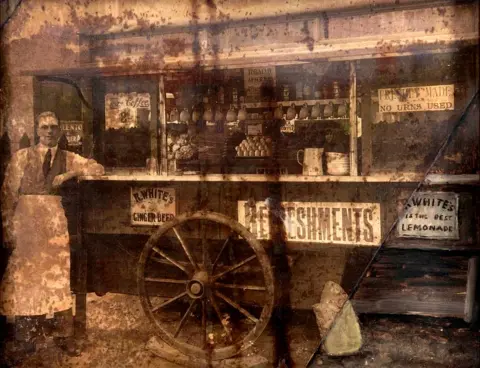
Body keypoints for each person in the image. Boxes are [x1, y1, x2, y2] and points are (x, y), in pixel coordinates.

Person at [0, 111, 104, 360]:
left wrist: (69, 174)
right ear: (37, 130)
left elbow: (97, 168)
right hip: (26, 221)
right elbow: (7, 194)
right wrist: (6, 226)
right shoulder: (22, 157)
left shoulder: (68, 158)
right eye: (44, 127)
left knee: (57, 278)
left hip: (54, 222)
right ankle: (27, 339)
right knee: (27, 279)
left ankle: (63, 336)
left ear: (59, 131)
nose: (49, 131)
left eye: (53, 127)